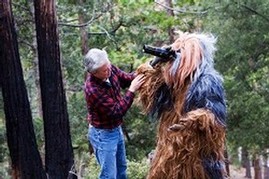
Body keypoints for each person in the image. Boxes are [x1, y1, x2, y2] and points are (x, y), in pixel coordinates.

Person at [83, 48, 145, 179]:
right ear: (94, 73)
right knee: (109, 175)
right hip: (103, 134)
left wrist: (145, 70)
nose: (109, 71)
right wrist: (132, 90)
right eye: (104, 70)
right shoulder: (92, 89)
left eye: (108, 66)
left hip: (116, 129)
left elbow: (127, 78)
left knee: (121, 170)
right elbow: (116, 112)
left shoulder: (109, 68)